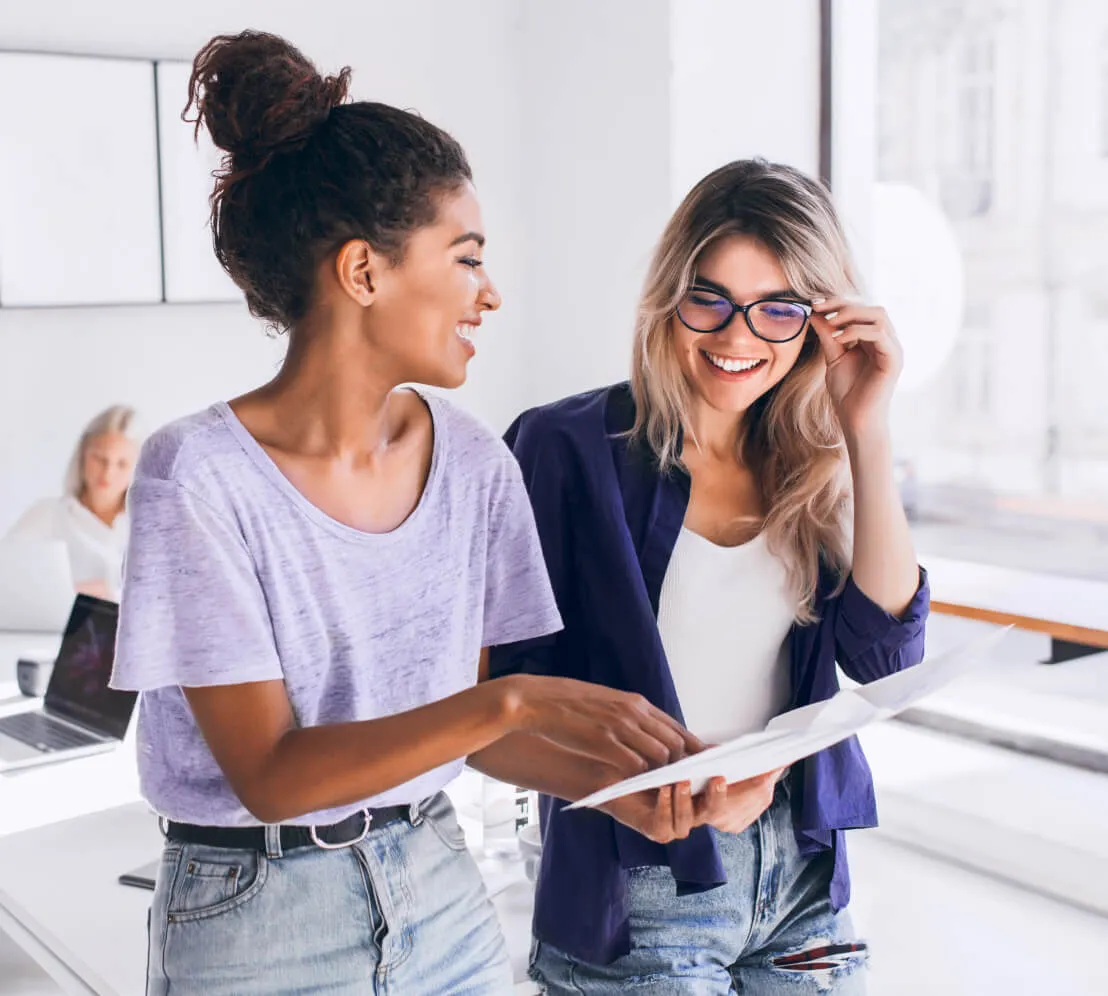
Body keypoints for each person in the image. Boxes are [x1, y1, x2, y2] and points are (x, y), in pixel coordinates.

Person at [109, 31, 698, 996]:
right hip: (254, 915)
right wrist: (513, 697)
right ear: (363, 273)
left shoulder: (474, 464)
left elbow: (465, 736)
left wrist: (623, 795)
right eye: (466, 258)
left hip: (436, 889)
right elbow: (271, 773)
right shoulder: (198, 479)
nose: (490, 292)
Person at [486, 159, 930, 994]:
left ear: (817, 321)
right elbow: (490, 708)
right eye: (710, 300)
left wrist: (866, 427)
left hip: (802, 884)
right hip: (638, 891)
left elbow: (884, 661)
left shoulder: (816, 458)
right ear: (669, 296)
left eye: (777, 310)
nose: (736, 338)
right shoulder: (563, 448)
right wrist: (626, 789)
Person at [6, 404, 138, 601]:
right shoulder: (47, 515)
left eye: (121, 464)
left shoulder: (152, 525)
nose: (108, 473)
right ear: (83, 455)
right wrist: (70, 593)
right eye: (99, 459)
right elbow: (8, 577)